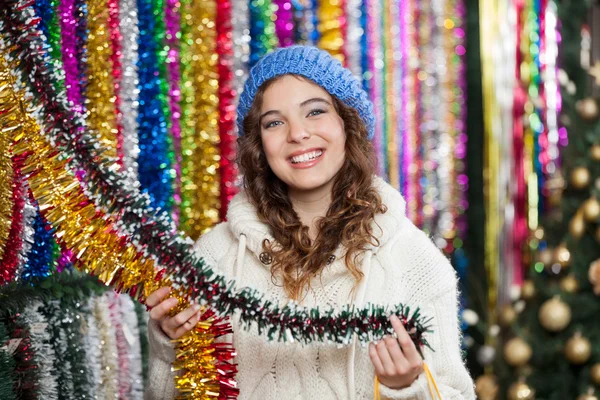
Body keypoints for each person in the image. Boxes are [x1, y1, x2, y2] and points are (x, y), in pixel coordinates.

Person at [144, 46, 475, 400]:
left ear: (348, 123)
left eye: (315, 111)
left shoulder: (415, 262)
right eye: (274, 122)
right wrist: (170, 343)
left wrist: (407, 388)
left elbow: (456, 393)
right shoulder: (213, 257)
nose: (298, 133)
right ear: (259, 145)